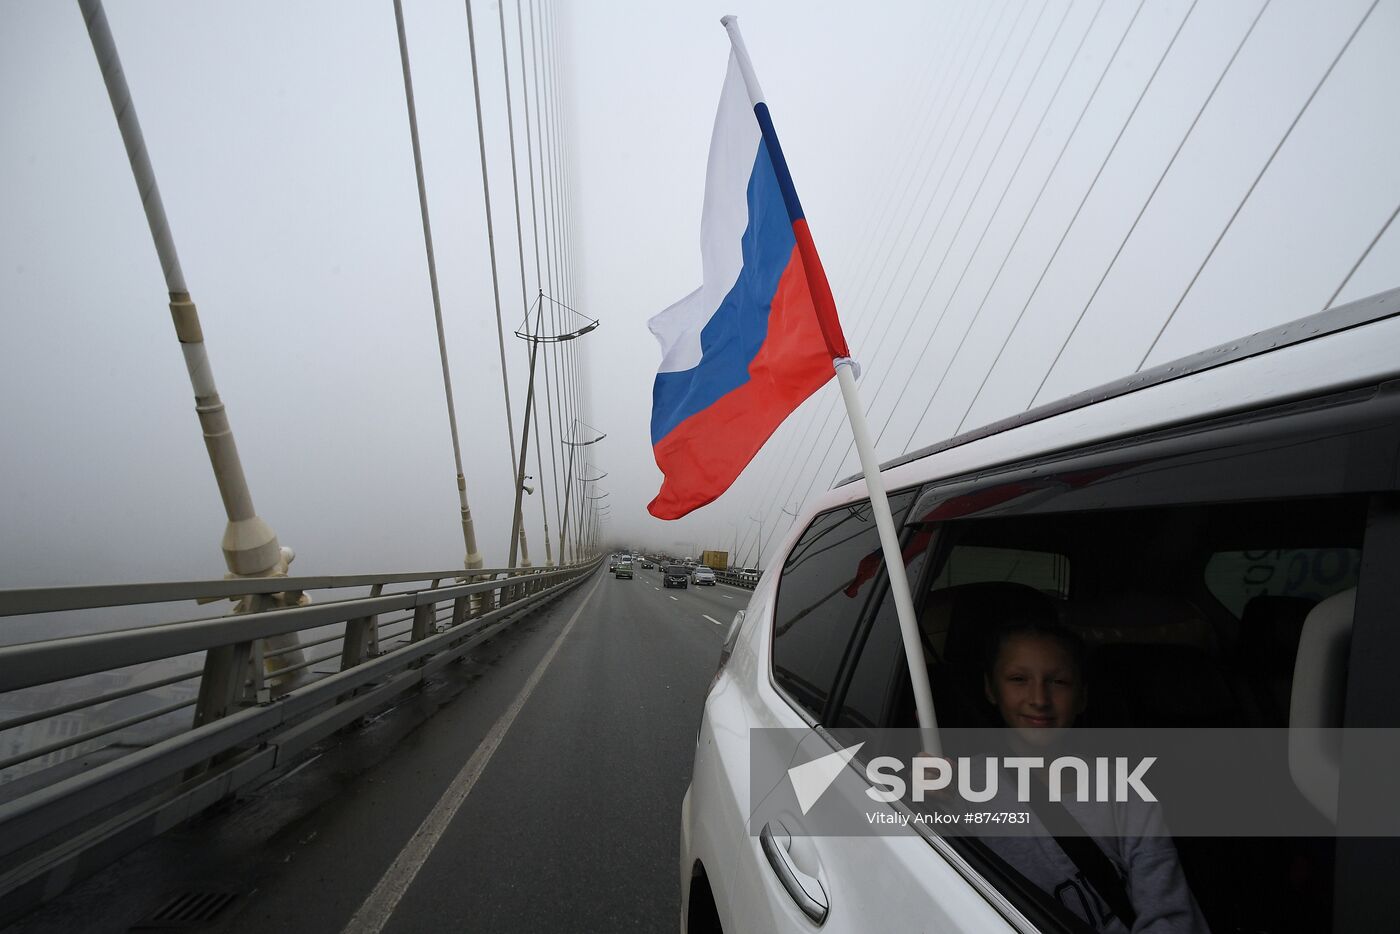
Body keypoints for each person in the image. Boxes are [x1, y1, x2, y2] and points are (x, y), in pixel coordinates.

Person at [975, 620, 1210, 934]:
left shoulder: (1123, 791)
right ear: (991, 689)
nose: (1039, 699)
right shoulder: (962, 786)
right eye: (1018, 679)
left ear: (1082, 698)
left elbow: (1170, 913)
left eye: (1058, 682)